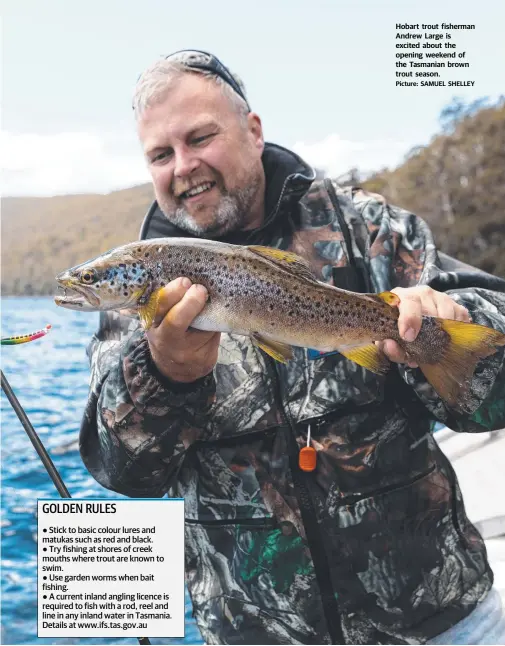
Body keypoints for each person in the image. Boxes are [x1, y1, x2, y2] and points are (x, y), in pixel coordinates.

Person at [79, 50, 505, 645]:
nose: (184, 166)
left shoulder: (370, 232)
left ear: (254, 132)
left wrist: (451, 333)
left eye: (201, 137)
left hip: (441, 620)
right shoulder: (138, 298)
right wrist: (163, 376)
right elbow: (123, 476)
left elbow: (494, 404)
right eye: (160, 154)